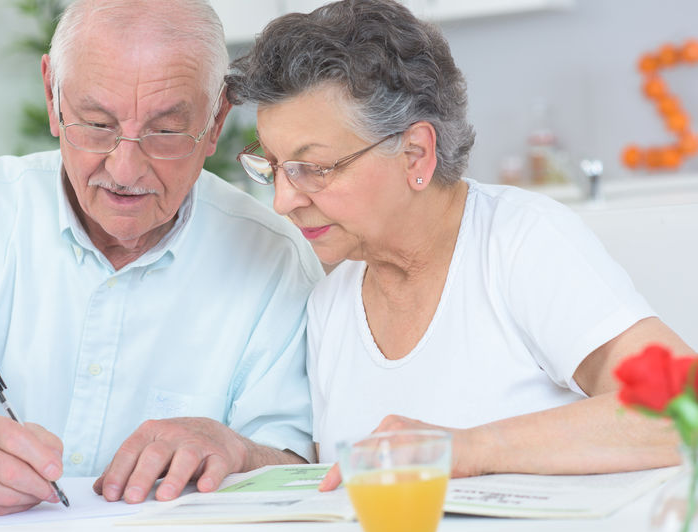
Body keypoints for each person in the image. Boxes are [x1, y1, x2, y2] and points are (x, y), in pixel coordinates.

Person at [0, 0, 323, 516]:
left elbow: (295, 464)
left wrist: (240, 451)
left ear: (216, 121)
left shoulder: (272, 256)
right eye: (96, 124)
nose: (125, 169)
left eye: (165, 133)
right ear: (53, 97)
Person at [225, 0, 692, 489]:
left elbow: (682, 408)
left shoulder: (519, 243)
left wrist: (466, 449)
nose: (282, 201)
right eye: (273, 167)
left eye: (313, 168)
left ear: (415, 153)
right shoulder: (331, 302)